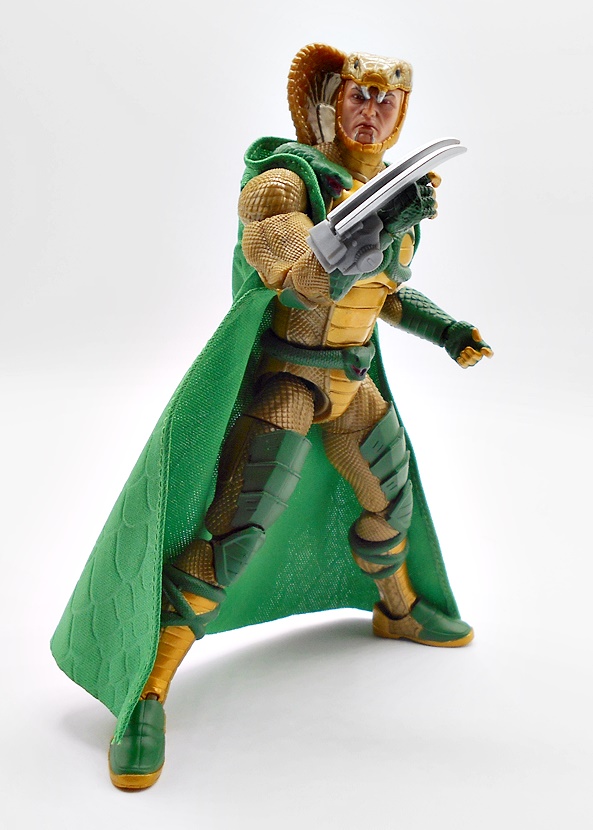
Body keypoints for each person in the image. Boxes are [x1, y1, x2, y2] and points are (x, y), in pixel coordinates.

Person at [51, 43, 492, 791]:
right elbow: (296, 273)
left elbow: (382, 293)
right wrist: (374, 229)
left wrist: (447, 330)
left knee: (392, 501)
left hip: (352, 380)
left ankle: (398, 609)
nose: (372, 111)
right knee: (234, 531)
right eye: (359, 94)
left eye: (387, 99)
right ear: (329, 100)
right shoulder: (283, 181)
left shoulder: (389, 190)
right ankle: (146, 691)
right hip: (291, 378)